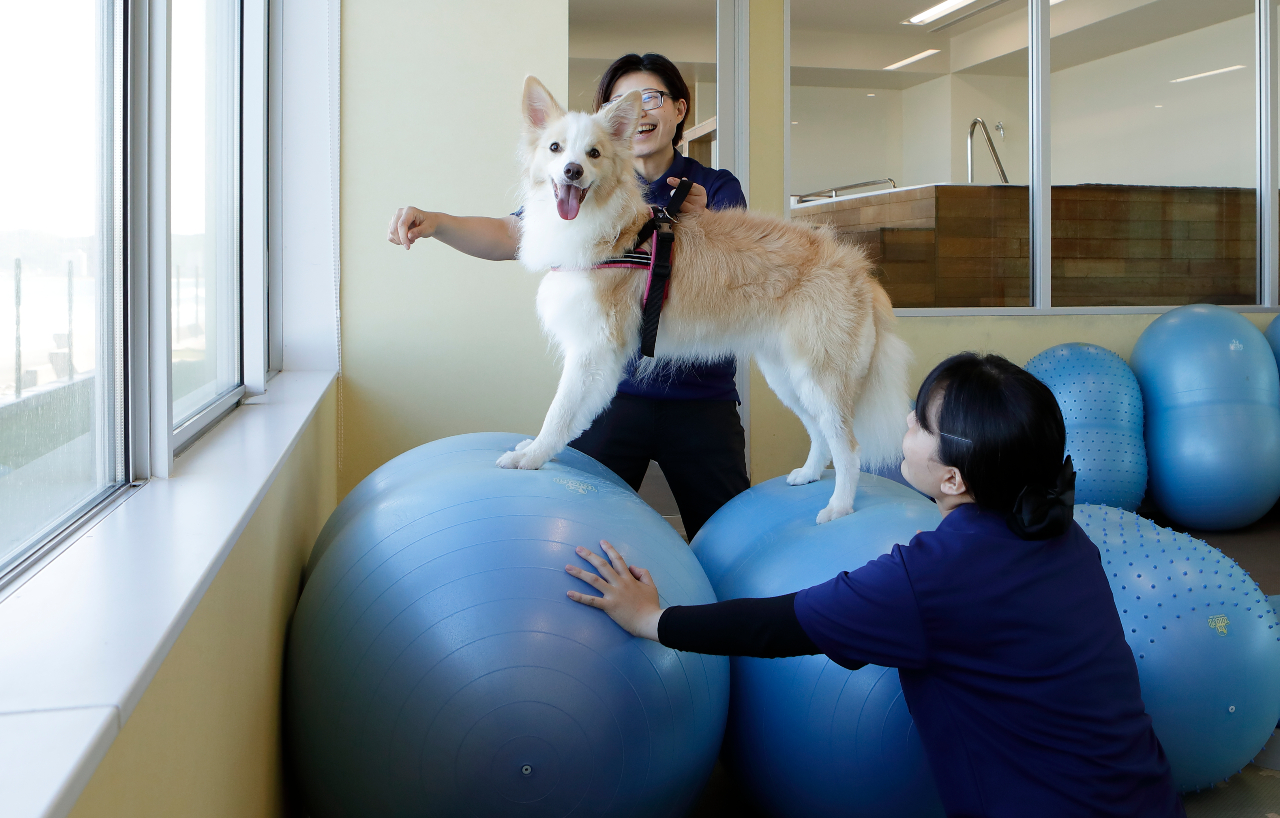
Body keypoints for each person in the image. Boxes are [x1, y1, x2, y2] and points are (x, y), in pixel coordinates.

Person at [564, 353, 1185, 818]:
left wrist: (654, 619)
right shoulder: (1061, 535)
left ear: (953, 480)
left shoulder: (934, 576)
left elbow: (779, 626)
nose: (906, 423)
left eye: (920, 424)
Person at [388, 53, 750, 537]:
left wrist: (704, 222)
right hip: (614, 393)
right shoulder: (574, 184)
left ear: (679, 109)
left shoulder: (715, 186)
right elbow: (509, 232)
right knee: (579, 525)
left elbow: (738, 269)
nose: (639, 112)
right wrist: (437, 224)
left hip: (700, 396)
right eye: (624, 101)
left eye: (651, 98)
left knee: (727, 531)